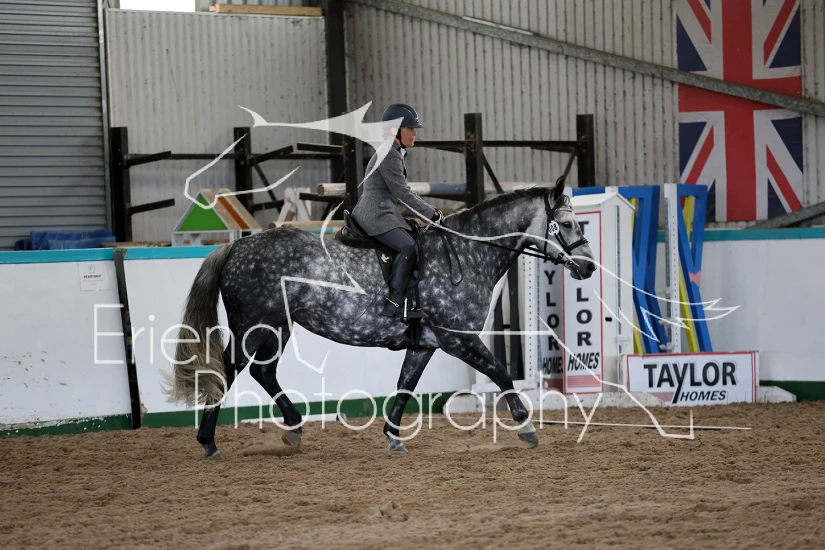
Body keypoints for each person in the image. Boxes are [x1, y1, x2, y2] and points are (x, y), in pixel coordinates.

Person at [351, 103, 444, 319]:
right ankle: (393, 302)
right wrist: (431, 214)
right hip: (375, 215)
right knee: (408, 246)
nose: (414, 133)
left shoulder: (393, 151)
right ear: (395, 130)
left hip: (384, 212)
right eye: (410, 128)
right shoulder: (389, 154)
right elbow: (403, 193)